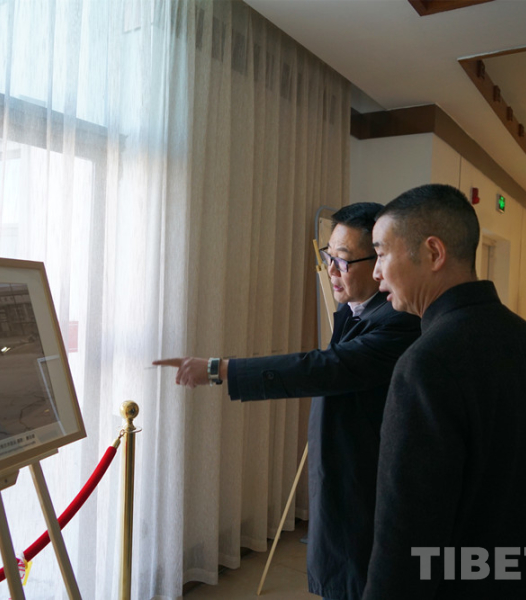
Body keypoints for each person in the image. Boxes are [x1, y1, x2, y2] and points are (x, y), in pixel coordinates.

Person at [154, 203, 421, 599]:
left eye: (343, 261)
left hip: (366, 483)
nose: (331, 270)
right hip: (341, 471)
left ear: (378, 261)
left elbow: (325, 368)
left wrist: (219, 368)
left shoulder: (399, 321)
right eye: (329, 257)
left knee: (359, 579)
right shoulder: (354, 309)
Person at [366, 184, 526, 598]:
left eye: (381, 253)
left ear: (433, 253)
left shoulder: (427, 363)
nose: (375, 272)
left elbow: (405, 534)